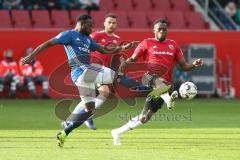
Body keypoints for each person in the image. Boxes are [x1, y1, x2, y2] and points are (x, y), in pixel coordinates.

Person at [21, 14, 138, 147]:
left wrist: (122, 48)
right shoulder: (69, 35)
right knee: (118, 76)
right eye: (90, 26)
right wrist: (30, 57)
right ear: (82, 24)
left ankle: (65, 132)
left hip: (81, 77)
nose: (91, 28)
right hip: (84, 71)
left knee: (89, 110)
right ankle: (147, 85)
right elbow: (47, 43)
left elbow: (104, 49)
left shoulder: (87, 39)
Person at [111, 19, 204, 145]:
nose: (161, 31)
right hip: (149, 78)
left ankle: (117, 132)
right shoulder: (146, 43)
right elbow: (133, 59)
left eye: (164, 29)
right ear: (154, 30)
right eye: (159, 28)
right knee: (158, 81)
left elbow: (184, 66)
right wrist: (124, 64)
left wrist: (194, 65)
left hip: (166, 85)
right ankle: (168, 100)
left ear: (167, 31)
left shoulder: (173, 45)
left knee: (145, 118)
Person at [62, 13, 150, 130]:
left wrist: (122, 60)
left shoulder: (117, 39)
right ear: (104, 23)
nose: (111, 25)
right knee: (102, 93)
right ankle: (81, 117)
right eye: (109, 22)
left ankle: (74, 119)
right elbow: (85, 45)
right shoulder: (96, 35)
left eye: (114, 23)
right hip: (91, 69)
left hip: (104, 72)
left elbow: (115, 55)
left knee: (94, 97)